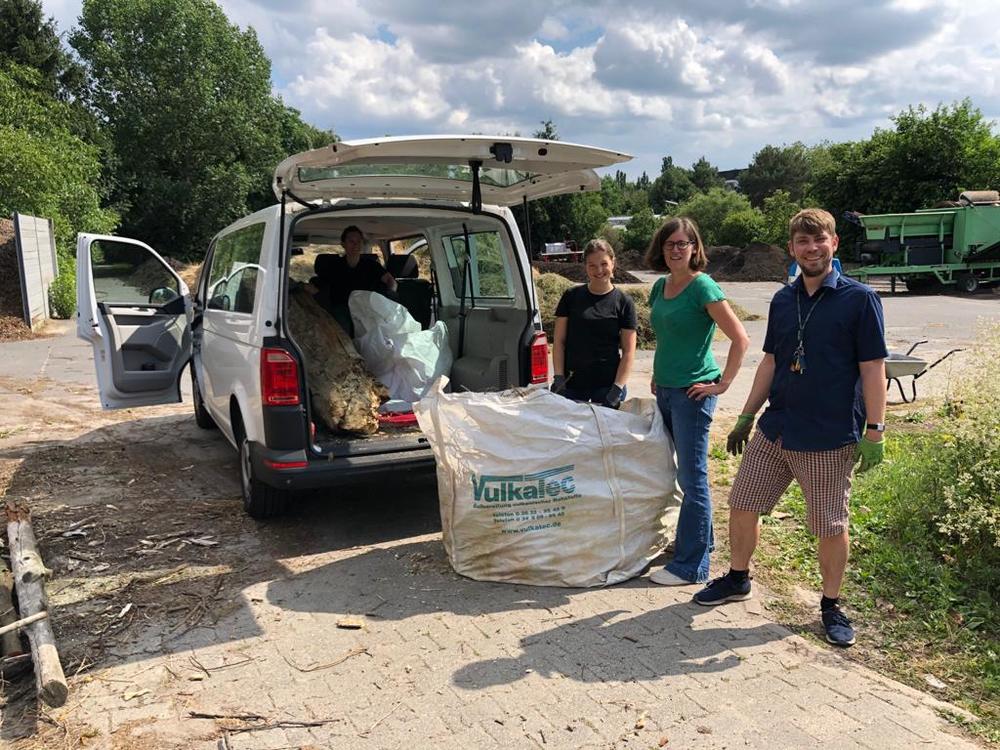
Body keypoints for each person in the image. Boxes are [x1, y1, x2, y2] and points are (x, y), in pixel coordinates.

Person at [694, 208, 887, 648]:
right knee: (742, 503)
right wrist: (747, 415)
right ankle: (738, 577)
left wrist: (875, 429)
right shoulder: (783, 299)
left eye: (820, 240)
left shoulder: (860, 300)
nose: (812, 248)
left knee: (829, 524)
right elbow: (772, 360)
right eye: (803, 241)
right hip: (777, 427)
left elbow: (873, 367)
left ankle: (831, 606)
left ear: (834, 243)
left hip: (827, 435)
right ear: (791, 248)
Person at [645, 217, 750, 587]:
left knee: (692, 477)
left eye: (682, 243)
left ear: (694, 248)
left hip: (692, 394)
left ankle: (691, 567)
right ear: (661, 248)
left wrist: (722, 384)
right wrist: (658, 373)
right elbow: (666, 337)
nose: (676, 249)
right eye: (669, 243)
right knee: (682, 473)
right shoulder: (660, 286)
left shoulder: (702, 286)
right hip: (666, 390)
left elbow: (740, 338)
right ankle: (702, 543)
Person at [551, 239, 637, 408]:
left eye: (604, 264)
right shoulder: (571, 296)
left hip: (607, 386)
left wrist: (617, 387)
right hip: (572, 385)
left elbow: (629, 351)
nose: (599, 270)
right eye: (592, 265)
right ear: (585, 267)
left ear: (613, 263)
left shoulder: (624, 302)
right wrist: (559, 377)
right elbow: (559, 342)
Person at [311, 226, 398, 334]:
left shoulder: (372, 265)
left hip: (367, 309)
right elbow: (317, 287)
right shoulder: (334, 266)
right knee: (341, 327)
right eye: (351, 241)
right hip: (342, 309)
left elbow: (391, 281)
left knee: (379, 330)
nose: (355, 245)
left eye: (358, 241)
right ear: (343, 244)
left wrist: (390, 297)